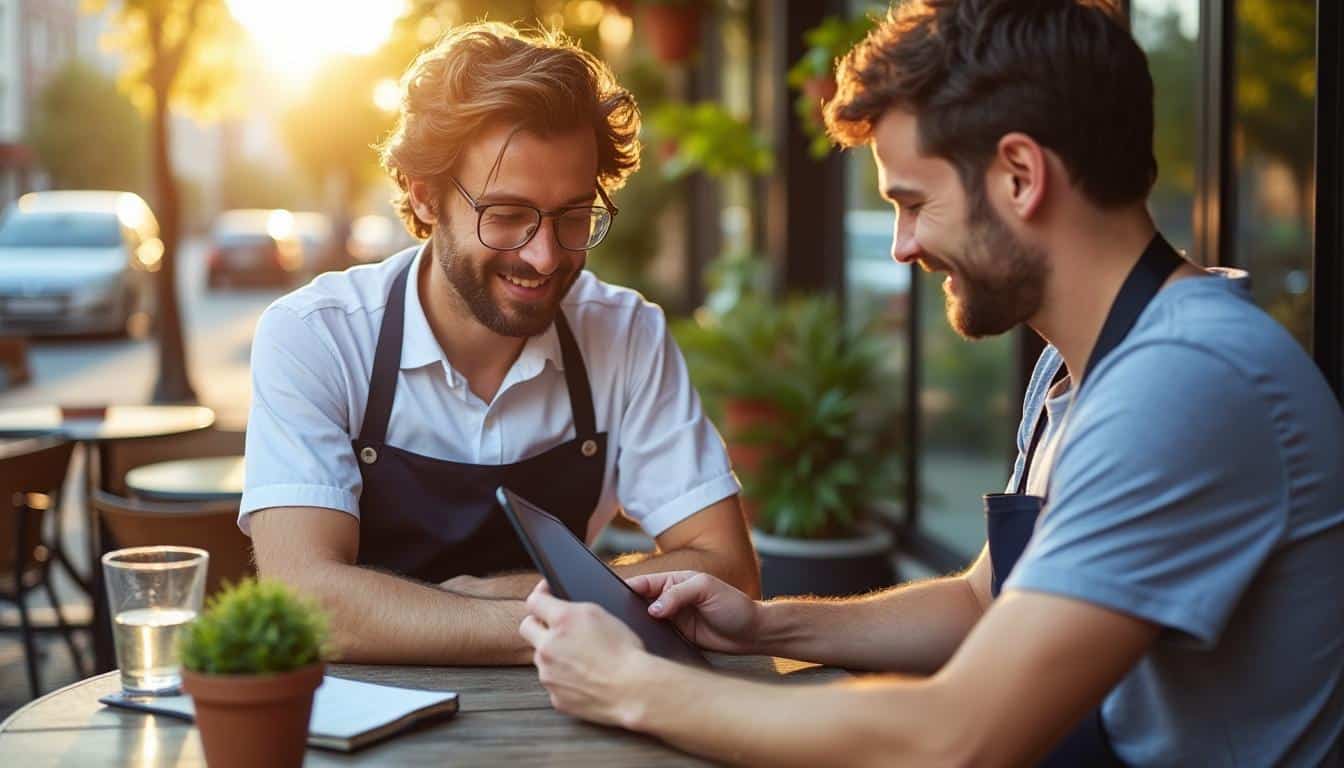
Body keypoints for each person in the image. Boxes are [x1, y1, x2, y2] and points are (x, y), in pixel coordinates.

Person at [519, 1, 1344, 764]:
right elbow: (986, 603)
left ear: (1020, 175)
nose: (901, 248)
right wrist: (766, 625)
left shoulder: (1187, 382)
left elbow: (959, 738)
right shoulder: (1085, 363)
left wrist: (635, 688)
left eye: (912, 202)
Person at [241, 23, 759, 665]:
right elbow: (305, 602)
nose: (543, 257)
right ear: (423, 195)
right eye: (507, 215)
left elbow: (728, 572)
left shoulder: (625, 333)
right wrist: (559, 614)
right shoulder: (318, 335)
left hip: (572, 715)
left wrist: (508, 593)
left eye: (573, 217)